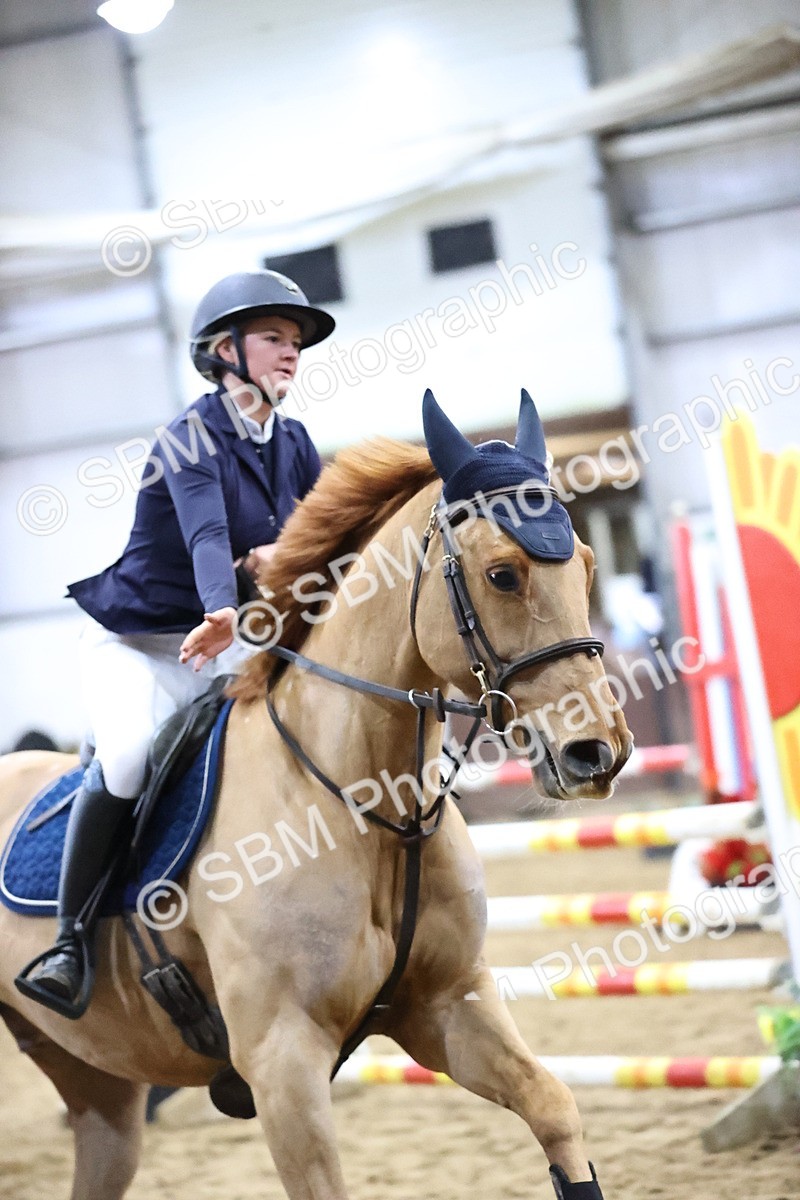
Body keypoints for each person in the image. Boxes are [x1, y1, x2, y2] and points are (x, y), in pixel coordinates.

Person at [16, 270, 335, 1016]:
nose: (290, 354)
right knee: (127, 758)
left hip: (228, 644)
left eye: (295, 343)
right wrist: (226, 601)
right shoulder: (191, 436)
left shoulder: (294, 443)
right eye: (273, 340)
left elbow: (324, 541)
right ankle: (69, 941)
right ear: (224, 350)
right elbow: (206, 532)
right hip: (146, 644)